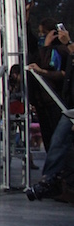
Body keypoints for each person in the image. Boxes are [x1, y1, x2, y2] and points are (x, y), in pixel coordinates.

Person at [26, 30, 74, 201]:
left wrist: (66, 43)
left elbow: (57, 72)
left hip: (57, 102)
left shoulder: (63, 50)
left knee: (62, 142)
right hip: (67, 105)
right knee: (58, 141)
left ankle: (59, 181)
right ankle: (51, 180)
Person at [27, 18, 69, 152]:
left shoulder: (60, 50)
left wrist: (47, 45)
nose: (40, 36)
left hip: (55, 100)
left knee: (58, 139)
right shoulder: (40, 50)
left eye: (43, 33)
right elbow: (32, 45)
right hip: (41, 101)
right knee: (48, 137)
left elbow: (49, 67)